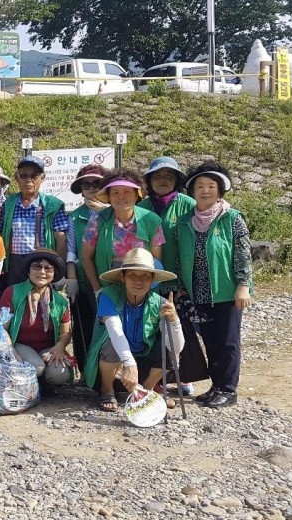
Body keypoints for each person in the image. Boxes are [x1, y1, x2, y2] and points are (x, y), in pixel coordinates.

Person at [175, 162, 252, 409]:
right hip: (197, 292)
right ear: (192, 191)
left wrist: (243, 284)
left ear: (220, 190)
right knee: (209, 339)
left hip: (226, 291)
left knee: (227, 341)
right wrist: (180, 286)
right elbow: (179, 256)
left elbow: (242, 254)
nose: (205, 191)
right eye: (200, 186)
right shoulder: (185, 221)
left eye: (211, 186)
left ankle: (228, 389)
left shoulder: (232, 218)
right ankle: (216, 386)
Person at [138, 156, 209, 392]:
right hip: (148, 278)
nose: (163, 180)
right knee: (153, 329)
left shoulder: (188, 204)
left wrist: (183, 281)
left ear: (177, 180)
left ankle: (184, 376)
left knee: (181, 328)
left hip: (181, 280)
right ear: (149, 181)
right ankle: (157, 378)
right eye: (157, 176)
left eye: (169, 176)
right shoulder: (141, 208)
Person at [84, 248, 184, 412]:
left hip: (142, 365)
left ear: (153, 280)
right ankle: (107, 389)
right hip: (112, 366)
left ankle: (146, 390)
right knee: (111, 342)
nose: (139, 281)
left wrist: (174, 321)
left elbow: (177, 348)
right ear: (123, 277)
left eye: (145, 276)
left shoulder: (160, 303)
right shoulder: (108, 295)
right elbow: (115, 331)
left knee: (168, 346)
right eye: (132, 275)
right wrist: (129, 364)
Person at [0, 156, 76, 300]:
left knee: (42, 301)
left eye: (34, 175)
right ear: (17, 178)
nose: (29, 179)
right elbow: (1, 233)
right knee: (16, 300)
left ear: (42, 178)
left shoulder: (53, 204)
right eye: (24, 175)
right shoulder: (9, 203)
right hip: (14, 263)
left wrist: (59, 269)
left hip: (42, 261)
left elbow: (61, 238)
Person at [81, 169, 165, 295]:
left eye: (127, 191)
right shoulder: (97, 221)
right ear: (109, 196)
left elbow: (156, 260)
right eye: (115, 192)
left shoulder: (151, 220)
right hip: (109, 289)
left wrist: (149, 289)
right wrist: (98, 289)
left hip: (142, 288)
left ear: (137, 195)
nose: (121, 197)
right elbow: (86, 257)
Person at [0, 249, 73, 391]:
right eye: (37, 267)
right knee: (36, 367)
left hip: (47, 348)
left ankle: (43, 384)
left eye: (48, 268)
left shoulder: (60, 302)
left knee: (60, 375)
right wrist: (10, 351)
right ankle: (31, 385)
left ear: (54, 273)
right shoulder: (12, 292)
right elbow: (1, 328)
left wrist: (59, 346)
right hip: (19, 345)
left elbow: (65, 333)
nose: (42, 272)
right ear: (28, 271)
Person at [67, 164, 109, 373]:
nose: (92, 188)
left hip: (112, 280)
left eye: (97, 183)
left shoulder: (113, 213)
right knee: (86, 324)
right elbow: (71, 251)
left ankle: (109, 373)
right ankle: (88, 372)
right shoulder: (74, 216)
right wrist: (72, 279)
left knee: (108, 327)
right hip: (84, 281)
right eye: (87, 184)